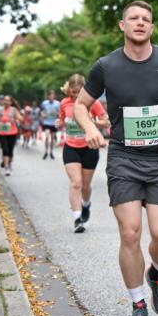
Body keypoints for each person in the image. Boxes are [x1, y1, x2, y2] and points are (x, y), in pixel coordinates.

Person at [75, 0, 158, 316]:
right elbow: (81, 106)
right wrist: (88, 130)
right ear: (122, 26)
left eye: (146, 19)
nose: (140, 23)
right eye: (133, 18)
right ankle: (138, 304)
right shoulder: (106, 66)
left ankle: (156, 274)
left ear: (152, 27)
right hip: (124, 157)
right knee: (130, 233)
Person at [58, 74, 109, 233]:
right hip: (71, 146)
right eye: (73, 92)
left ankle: (86, 204)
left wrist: (89, 123)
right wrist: (59, 123)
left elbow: (105, 122)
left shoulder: (92, 103)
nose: (75, 95)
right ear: (69, 90)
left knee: (85, 186)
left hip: (89, 147)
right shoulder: (64, 103)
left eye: (78, 91)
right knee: (76, 183)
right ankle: (77, 218)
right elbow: (62, 120)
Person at [0, 95, 23, 175]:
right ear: (3, 101)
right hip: (2, 132)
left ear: (11, 102)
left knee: (10, 151)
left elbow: (20, 118)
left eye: (8, 100)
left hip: (12, 132)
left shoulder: (13, 110)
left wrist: (18, 118)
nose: (6, 102)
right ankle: (6, 167)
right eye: (5, 100)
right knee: (5, 149)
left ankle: (8, 162)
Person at [41, 89, 61, 160]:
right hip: (46, 122)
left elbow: (60, 113)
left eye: (53, 96)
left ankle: (51, 152)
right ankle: (46, 151)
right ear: (48, 96)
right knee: (47, 136)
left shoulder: (58, 103)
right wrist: (43, 114)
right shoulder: (44, 103)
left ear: (54, 96)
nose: (51, 97)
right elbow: (42, 111)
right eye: (50, 96)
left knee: (52, 138)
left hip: (53, 123)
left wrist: (56, 114)